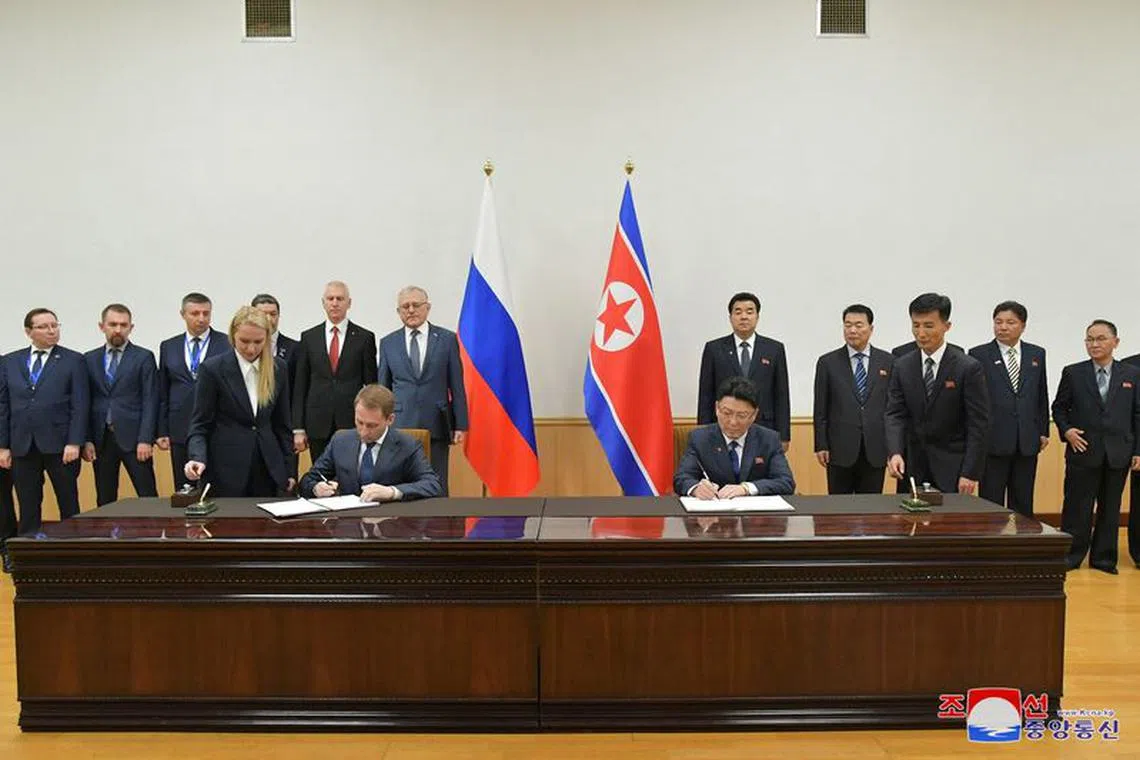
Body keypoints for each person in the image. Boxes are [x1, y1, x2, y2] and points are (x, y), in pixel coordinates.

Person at [1053, 320, 1140, 573]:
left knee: (1110, 508)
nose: (1094, 344)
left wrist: (1137, 451)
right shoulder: (1073, 372)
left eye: (1101, 338)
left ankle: (1103, 559)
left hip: (1118, 452)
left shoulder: (1131, 374)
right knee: (1077, 507)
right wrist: (1067, 430)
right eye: (1090, 339)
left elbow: (1137, 414)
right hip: (1082, 450)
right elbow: (1059, 408)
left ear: (1116, 342)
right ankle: (1072, 556)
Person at [885, 293, 989, 495]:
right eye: (916, 325)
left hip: (953, 467)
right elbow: (895, 413)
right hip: (912, 467)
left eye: (928, 326)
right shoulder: (902, 365)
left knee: (950, 516)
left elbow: (978, 423)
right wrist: (895, 452)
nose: (921, 333)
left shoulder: (968, 367)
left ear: (946, 326)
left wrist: (970, 472)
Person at [184, 307, 294, 498]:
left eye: (258, 342)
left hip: (268, 469)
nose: (251, 349)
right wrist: (197, 458)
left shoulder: (278, 368)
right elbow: (200, 424)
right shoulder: (212, 369)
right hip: (225, 471)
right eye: (244, 341)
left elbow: (282, 425)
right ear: (233, 336)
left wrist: (290, 470)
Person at [0, 309, 89, 540]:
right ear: (28, 332)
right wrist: (3, 446)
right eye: (43, 327)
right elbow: (4, 405)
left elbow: (80, 404)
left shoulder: (73, 360)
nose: (51, 331)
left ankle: (73, 546)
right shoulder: (10, 361)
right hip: (22, 444)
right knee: (28, 503)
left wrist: (75, 441)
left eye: (54, 325)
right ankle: (29, 550)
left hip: (61, 445)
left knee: (68, 501)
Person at [377, 286, 468, 495]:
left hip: (437, 421)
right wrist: (381, 424)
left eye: (416, 305)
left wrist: (461, 424)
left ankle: (441, 516)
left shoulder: (447, 339)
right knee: (401, 483)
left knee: (437, 482)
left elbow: (456, 384)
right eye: (405, 306)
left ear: (427, 307)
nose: (411, 310)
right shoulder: (388, 343)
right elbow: (383, 390)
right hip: (400, 424)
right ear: (398, 311)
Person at [968, 301, 1049, 516]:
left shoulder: (1036, 354)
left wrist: (1043, 430)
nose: (1003, 327)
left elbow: (1041, 394)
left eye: (1010, 322)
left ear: (1023, 326)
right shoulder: (978, 354)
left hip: (1027, 440)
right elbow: (974, 401)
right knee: (990, 503)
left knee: (1023, 501)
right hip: (992, 439)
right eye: (998, 322)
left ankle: (1022, 538)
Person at [300, 384, 441, 501]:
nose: (363, 431)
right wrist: (316, 488)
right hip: (347, 521)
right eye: (359, 422)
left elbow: (432, 484)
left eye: (372, 425)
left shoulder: (408, 445)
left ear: (390, 419)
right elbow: (308, 480)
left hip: (391, 520)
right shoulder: (340, 440)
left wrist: (392, 492)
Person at [291, 281, 377, 463]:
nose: (335, 303)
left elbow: (371, 386)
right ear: (323, 303)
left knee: (350, 471)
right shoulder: (309, 337)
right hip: (317, 422)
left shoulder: (364, 338)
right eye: (330, 299)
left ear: (349, 303)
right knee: (321, 473)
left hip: (352, 423)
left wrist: (371, 422)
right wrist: (298, 428)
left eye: (340, 298)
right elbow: (300, 385)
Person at [82, 304, 159, 505]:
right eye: (113, 324)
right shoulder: (89, 359)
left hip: (134, 439)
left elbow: (150, 400)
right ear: (102, 326)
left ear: (131, 328)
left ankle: (154, 527)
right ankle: (107, 528)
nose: (118, 330)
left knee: (148, 495)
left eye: (123, 325)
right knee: (105, 497)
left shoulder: (143, 357)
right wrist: (87, 439)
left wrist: (146, 439)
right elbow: (85, 402)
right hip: (102, 439)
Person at [812, 304, 894, 494]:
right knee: (839, 505)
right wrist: (821, 444)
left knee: (872, 505)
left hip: (875, 447)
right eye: (847, 325)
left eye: (858, 325)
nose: (852, 330)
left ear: (871, 329)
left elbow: (892, 408)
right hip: (839, 448)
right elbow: (820, 408)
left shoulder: (888, 361)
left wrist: (893, 447)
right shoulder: (828, 362)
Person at [674, 377, 795, 499]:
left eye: (741, 416)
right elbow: (682, 478)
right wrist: (696, 488)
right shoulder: (699, 438)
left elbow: (786, 482)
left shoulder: (768, 439)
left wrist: (746, 488)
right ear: (717, 408)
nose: (733, 422)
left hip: (754, 510)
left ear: (754, 415)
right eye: (727, 413)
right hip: (714, 508)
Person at [697, 292, 790, 449]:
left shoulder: (774, 349)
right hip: (724, 427)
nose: (744, 317)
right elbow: (706, 393)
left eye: (749, 311)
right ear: (730, 317)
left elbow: (781, 394)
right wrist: (704, 430)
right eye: (738, 312)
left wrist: (784, 435)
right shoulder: (714, 349)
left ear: (757, 317)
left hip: (764, 426)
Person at [157, 293, 229, 490]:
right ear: (183, 314)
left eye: (206, 313)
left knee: (216, 486)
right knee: (184, 488)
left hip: (215, 426)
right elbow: (163, 391)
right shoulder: (169, 346)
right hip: (179, 426)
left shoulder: (226, 343)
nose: (201, 318)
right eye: (195, 313)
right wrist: (162, 430)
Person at [251, 293, 299, 385]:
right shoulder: (243, 347)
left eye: (273, 314)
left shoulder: (295, 348)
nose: (269, 319)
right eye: (263, 314)